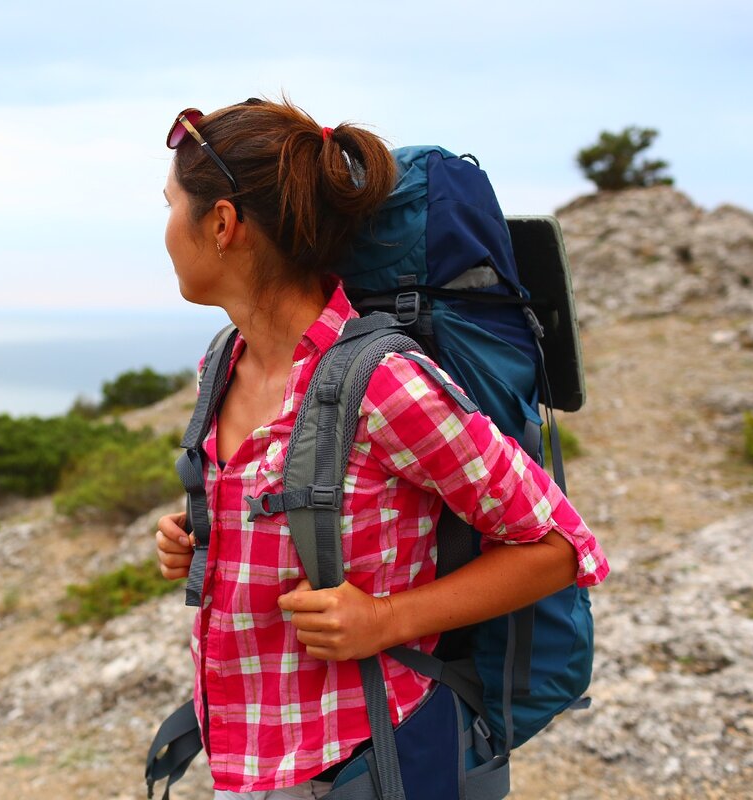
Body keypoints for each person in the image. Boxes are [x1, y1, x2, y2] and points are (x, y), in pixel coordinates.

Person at [154, 98, 609, 800]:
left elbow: (561, 548)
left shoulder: (382, 385)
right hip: (251, 757)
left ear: (221, 225)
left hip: (363, 761)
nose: (164, 231)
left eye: (170, 207)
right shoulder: (223, 362)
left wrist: (385, 621)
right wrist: (204, 540)